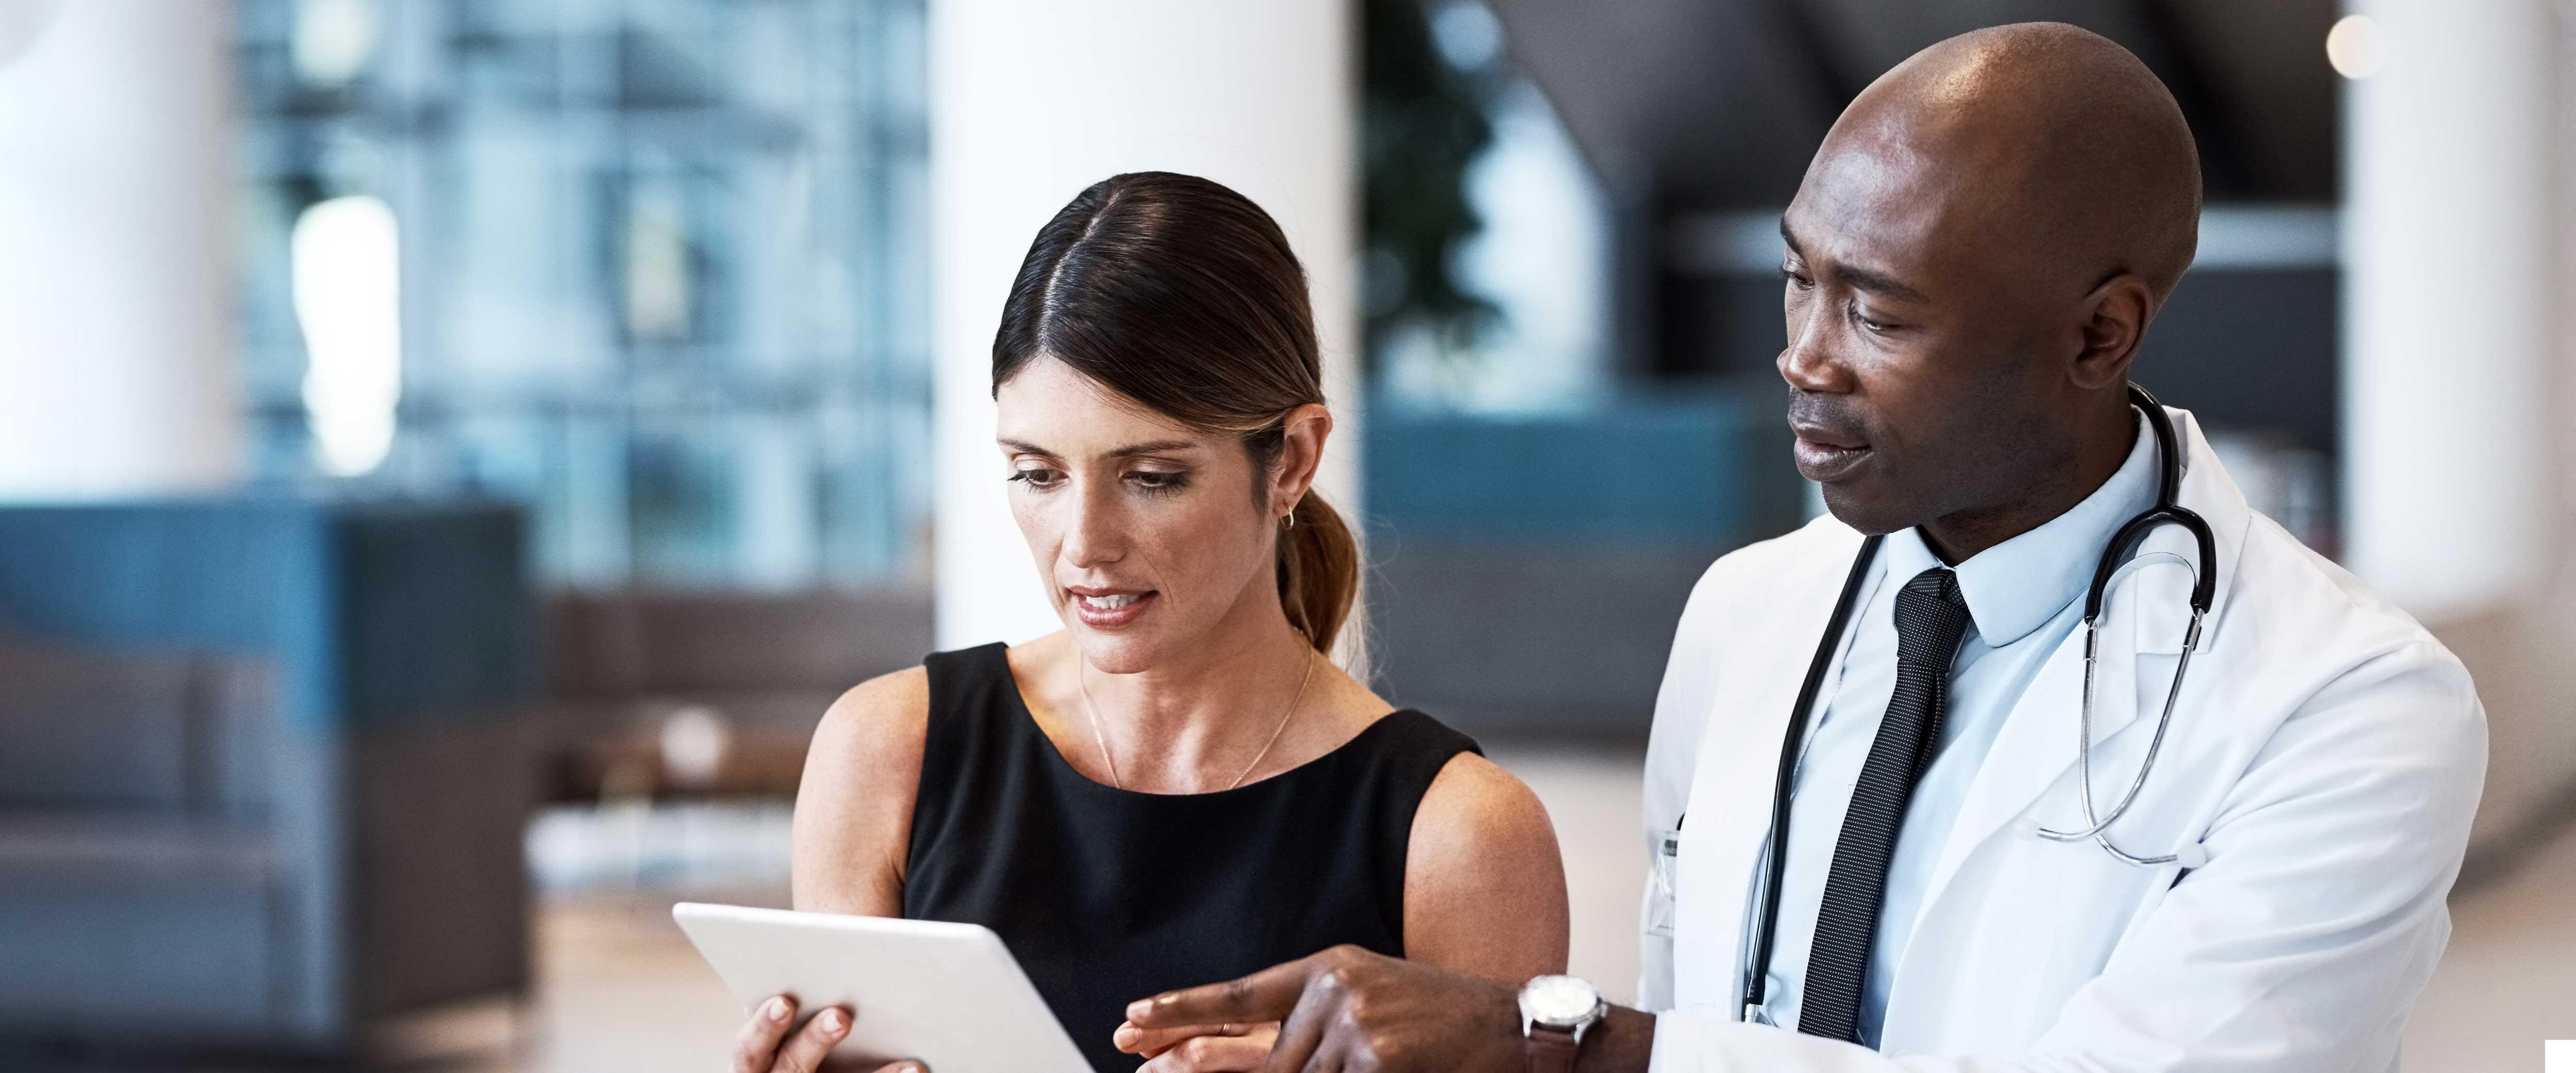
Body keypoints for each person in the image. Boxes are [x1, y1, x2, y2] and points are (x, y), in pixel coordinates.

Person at [1121, 23, 2486, 1072]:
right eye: (1798, 278)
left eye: (1878, 315)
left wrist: (1577, 1041)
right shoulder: (1750, 613)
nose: (1801, 356)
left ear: (2099, 334)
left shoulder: (2353, 705)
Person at [725, 172, 1570, 1073]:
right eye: (1038, 474)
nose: (1084, 545)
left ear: (1291, 460)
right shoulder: (888, 753)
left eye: (1151, 476)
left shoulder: (1462, 836)